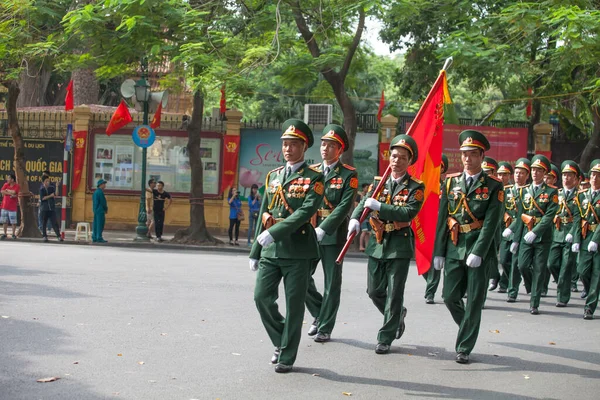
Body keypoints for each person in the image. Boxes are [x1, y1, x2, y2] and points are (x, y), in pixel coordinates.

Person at [249, 119, 324, 373]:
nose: (288, 149)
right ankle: (281, 341)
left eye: (294, 145)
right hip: (271, 250)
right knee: (261, 297)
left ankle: (286, 356)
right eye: (285, 144)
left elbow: (304, 212)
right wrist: (255, 251)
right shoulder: (273, 176)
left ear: (304, 147)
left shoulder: (315, 178)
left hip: (298, 251)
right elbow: (264, 213)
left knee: (294, 305)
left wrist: (275, 233)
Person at [348, 134, 425, 355]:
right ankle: (398, 314)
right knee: (374, 291)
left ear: (409, 161)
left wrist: (380, 206)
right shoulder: (378, 182)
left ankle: (385, 336)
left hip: (399, 244)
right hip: (377, 242)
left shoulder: (415, 187)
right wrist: (355, 218)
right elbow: (364, 203)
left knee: (394, 293)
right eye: (393, 156)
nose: (397, 161)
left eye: (402, 157)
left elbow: (408, 211)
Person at [433, 130, 503, 364]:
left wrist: (479, 251)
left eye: (473, 154)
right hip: (454, 246)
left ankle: (464, 347)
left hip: (477, 250)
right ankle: (468, 327)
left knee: (473, 300)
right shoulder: (451, 182)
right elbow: (443, 218)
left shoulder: (494, 186)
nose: (467, 159)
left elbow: (492, 224)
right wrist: (438, 251)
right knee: (449, 296)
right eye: (464, 154)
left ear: (482, 156)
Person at [305, 124, 358, 343]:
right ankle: (319, 312)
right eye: (324, 144)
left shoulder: (348, 175)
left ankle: (326, 327)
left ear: (340, 149)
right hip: (309, 230)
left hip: (333, 233)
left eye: (331, 145)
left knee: (331, 283)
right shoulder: (312, 172)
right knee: (302, 278)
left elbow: (345, 207)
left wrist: (324, 229)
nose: (325, 148)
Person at [508, 154, 558, 315]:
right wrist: (515, 238)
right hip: (525, 235)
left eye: (539, 170)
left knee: (538, 269)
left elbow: (549, 216)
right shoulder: (524, 191)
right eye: (534, 170)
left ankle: (534, 303)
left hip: (543, 237)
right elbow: (521, 215)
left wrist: (536, 232)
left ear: (545, 173)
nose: (536, 173)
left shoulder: (551, 192)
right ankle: (531, 287)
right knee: (522, 265)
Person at [547, 161, 582, 307]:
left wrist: (574, 233)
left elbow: (581, 217)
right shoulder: (557, 193)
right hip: (557, 232)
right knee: (552, 264)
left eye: (570, 175)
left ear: (576, 178)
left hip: (571, 233)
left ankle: (562, 296)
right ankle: (563, 283)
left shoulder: (580, 195)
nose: (566, 178)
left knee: (566, 266)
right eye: (564, 175)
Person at [575, 160, 600, 319]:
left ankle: (589, 307)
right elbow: (578, 217)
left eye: (598, 175)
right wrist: (576, 238)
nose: (594, 178)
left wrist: (596, 239)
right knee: (582, 271)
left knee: (597, 273)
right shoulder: (582, 195)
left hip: (598, 239)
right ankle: (592, 290)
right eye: (592, 174)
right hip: (584, 237)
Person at [504, 158, 531, 303]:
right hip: (505, 232)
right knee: (503, 260)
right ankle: (510, 282)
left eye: (522, 173)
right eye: (517, 172)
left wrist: (512, 228)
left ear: (527, 176)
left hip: (521, 231)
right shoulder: (506, 190)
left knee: (516, 263)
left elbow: (523, 215)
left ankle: (512, 291)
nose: (518, 175)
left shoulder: (529, 192)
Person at [423, 153, 449, 304]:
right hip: (424, 228)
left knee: (436, 259)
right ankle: (429, 281)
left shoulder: (446, 186)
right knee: (423, 260)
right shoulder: (422, 185)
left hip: (440, 228)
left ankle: (430, 291)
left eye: (439, 167)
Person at [481, 157, 506, 295]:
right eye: (484, 171)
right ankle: (493, 276)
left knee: (489, 258)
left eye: (489, 172)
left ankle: (490, 280)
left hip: (494, 229)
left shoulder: (497, 187)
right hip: (476, 229)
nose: (486, 175)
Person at [496, 161, 515, 295]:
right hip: (495, 228)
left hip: (508, 229)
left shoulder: (513, 191)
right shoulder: (494, 189)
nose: (502, 177)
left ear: (510, 176)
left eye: (505, 175)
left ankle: (506, 282)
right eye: (500, 174)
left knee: (504, 259)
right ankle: (495, 278)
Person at [39, 176, 63, 242]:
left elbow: (56, 194)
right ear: (43, 182)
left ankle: (58, 236)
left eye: (48, 181)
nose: (48, 182)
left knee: (54, 222)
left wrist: (57, 186)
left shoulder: (51, 188)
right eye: (46, 181)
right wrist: (50, 196)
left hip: (51, 208)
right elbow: (42, 198)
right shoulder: (42, 189)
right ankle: (44, 236)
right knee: (44, 223)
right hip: (44, 208)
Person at [1, 174, 20, 240]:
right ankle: (5, 233)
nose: (7, 179)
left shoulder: (17, 186)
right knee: (4, 221)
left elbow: (15, 192)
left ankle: (13, 234)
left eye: (9, 178)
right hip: (4, 206)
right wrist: (11, 193)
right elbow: (2, 191)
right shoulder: (6, 184)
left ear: (12, 179)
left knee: (13, 222)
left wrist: (7, 191)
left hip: (12, 207)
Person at [92, 179, 108, 243]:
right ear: (101, 185)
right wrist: (106, 208)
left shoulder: (95, 192)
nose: (105, 185)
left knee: (96, 224)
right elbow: (103, 202)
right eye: (104, 184)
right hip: (100, 210)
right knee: (100, 224)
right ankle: (99, 237)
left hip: (96, 210)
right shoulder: (100, 192)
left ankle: (94, 236)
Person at [357, 184, 372, 251]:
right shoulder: (359, 195)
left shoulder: (369, 195)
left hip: (369, 216)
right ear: (363, 188)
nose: (367, 188)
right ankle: (361, 246)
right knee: (364, 231)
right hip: (362, 216)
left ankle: (367, 246)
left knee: (368, 232)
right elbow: (356, 205)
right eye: (366, 187)